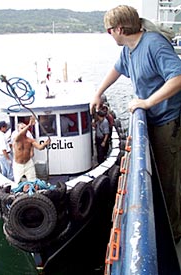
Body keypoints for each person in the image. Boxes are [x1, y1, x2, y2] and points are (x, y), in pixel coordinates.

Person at [90, 5, 181, 244]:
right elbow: (116, 69)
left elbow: (178, 77)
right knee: (159, 176)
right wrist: (99, 92)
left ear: (119, 29)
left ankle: (173, 233)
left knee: (168, 180)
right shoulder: (130, 49)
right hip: (152, 121)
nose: (109, 36)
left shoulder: (153, 44)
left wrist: (147, 102)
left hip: (166, 123)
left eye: (109, 31)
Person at [12, 116, 51, 185]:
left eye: (24, 128)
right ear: (18, 130)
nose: (24, 129)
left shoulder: (30, 140)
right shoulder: (16, 139)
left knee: (33, 181)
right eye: (21, 128)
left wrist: (45, 144)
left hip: (28, 163)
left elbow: (39, 147)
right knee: (17, 183)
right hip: (18, 165)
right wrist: (29, 125)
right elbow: (20, 135)